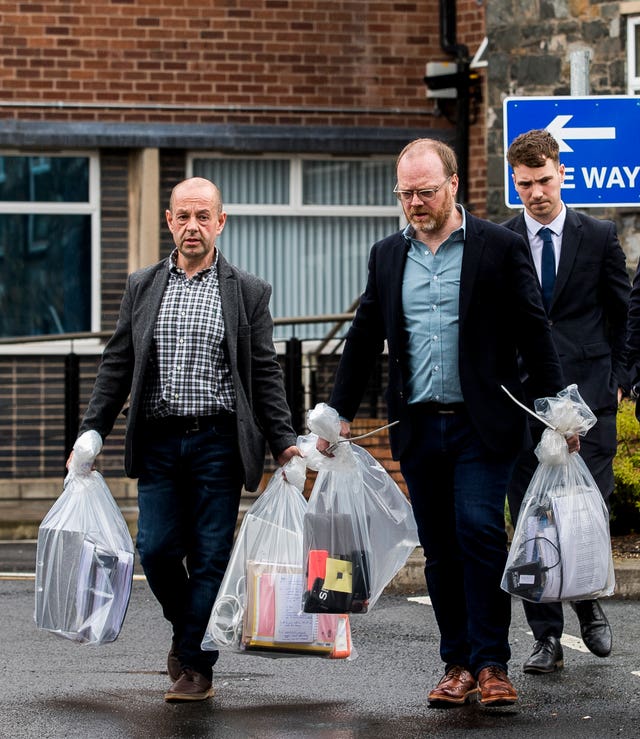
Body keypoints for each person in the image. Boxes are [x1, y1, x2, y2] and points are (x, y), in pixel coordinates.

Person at [317, 138, 573, 708]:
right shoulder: (387, 255)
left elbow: (534, 330)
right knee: (439, 547)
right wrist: (333, 415)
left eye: (425, 191)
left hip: (484, 423)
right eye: (405, 193)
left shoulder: (499, 248)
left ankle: (491, 664)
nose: (415, 202)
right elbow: (363, 339)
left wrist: (558, 407)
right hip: (418, 424)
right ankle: (456, 662)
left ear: (453, 185)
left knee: (479, 530)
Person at [71, 176, 301, 702]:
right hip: (157, 440)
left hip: (218, 441)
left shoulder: (247, 291)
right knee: (155, 551)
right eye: (183, 217)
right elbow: (117, 363)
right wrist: (91, 431)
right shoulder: (143, 284)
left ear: (220, 222)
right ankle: (189, 632)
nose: (192, 226)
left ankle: (196, 666)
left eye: (203, 217)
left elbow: (263, 373)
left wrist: (284, 440)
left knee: (212, 556)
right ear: (169, 221)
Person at [504, 129, 629, 675]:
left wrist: (621, 378)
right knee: (534, 519)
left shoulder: (599, 236)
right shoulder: (500, 241)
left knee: (582, 511)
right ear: (516, 182)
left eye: (544, 180)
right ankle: (546, 638)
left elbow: (623, 314)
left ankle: (588, 603)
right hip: (523, 406)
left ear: (562, 173)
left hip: (591, 401)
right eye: (526, 183)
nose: (536, 193)